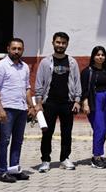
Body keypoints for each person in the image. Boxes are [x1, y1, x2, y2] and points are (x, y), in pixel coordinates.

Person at [0, 38, 35, 183]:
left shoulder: (25, 67)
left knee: (18, 141)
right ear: (8, 49)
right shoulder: (0, 66)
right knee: (5, 140)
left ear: (23, 50)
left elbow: (27, 88)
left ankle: (14, 169)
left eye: (19, 49)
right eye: (14, 48)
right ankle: (3, 172)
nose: (16, 51)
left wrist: (31, 106)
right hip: (7, 109)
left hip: (22, 109)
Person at [35, 32, 82, 172]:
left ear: (67, 44)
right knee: (47, 133)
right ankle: (45, 160)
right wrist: (38, 103)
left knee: (67, 132)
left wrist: (77, 100)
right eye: (58, 42)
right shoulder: (45, 62)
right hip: (49, 103)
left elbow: (77, 82)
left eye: (63, 43)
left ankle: (64, 159)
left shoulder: (72, 62)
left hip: (67, 102)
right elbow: (39, 83)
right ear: (53, 43)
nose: (60, 45)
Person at [81, 46, 106, 169]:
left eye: (102, 55)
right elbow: (84, 89)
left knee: (104, 129)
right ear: (93, 56)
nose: (100, 57)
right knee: (99, 128)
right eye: (98, 55)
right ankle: (96, 157)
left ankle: (99, 155)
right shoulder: (87, 71)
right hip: (94, 100)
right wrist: (85, 102)